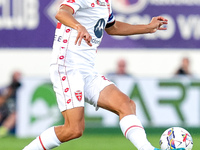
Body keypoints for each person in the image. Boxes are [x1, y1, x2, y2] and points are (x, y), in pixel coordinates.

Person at [23, 0, 184, 150]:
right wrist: (79, 26)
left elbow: (112, 28)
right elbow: (62, 13)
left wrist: (147, 28)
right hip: (68, 66)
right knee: (73, 129)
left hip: (87, 70)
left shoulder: (105, 3)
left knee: (126, 104)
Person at [0, 71, 22, 137]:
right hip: (5, 110)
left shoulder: (23, 91)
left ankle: (2, 132)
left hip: (15, 112)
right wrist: (8, 94)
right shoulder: (6, 88)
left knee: (14, 115)